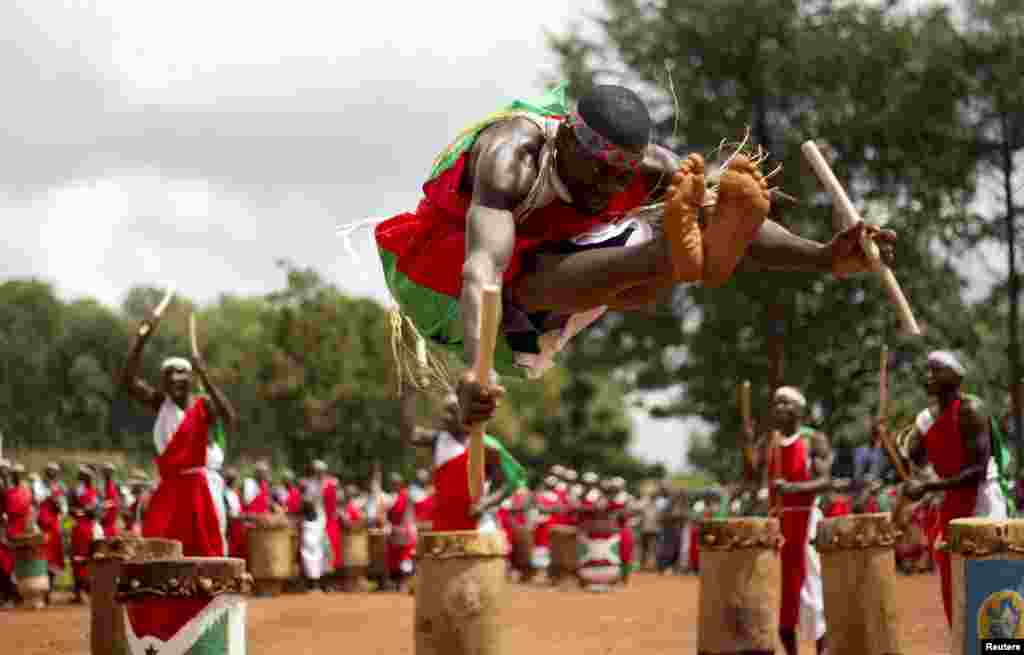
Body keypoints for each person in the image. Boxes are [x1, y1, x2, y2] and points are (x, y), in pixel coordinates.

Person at [373, 82, 896, 429]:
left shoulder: (649, 168)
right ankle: (669, 257)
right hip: (460, 289)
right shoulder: (513, 158)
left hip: (581, 284)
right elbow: (483, 268)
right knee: (534, 274)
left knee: (676, 224)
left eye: (621, 174)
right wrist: (476, 369)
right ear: (567, 142)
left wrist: (826, 256)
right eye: (597, 168)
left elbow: (741, 228)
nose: (607, 184)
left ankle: (670, 259)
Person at [900, 350, 1009, 626]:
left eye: (935, 370)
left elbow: (977, 471)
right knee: (955, 584)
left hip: (984, 501)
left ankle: (1000, 645)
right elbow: (916, 456)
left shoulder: (972, 409)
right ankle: (965, 643)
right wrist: (903, 442)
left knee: (989, 578)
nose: (928, 377)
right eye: (928, 370)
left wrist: (928, 486)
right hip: (952, 501)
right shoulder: (927, 418)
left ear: (955, 375)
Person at [117, 309, 237, 557]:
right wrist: (141, 339)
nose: (174, 379)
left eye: (180, 374)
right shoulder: (161, 403)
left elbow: (229, 417)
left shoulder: (203, 405)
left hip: (204, 488)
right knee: (162, 548)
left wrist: (206, 374)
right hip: (171, 488)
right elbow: (128, 380)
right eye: (168, 375)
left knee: (209, 549)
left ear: (190, 379)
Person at [750, 386, 830, 655]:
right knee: (782, 596)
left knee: (811, 590)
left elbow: (824, 481)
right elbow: (754, 473)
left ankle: (821, 649)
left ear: (799, 409)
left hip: (805, 522)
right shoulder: (768, 442)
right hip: (778, 526)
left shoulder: (812, 440)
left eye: (785, 403)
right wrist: (749, 444)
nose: (778, 408)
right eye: (775, 403)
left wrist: (793, 489)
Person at [399, 387, 520, 533]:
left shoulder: (486, 445)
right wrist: (409, 396)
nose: (445, 416)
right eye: (445, 411)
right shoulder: (438, 439)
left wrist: (487, 502)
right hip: (443, 526)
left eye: (451, 411)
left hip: (479, 527)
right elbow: (410, 434)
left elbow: (509, 483)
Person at [69, 465, 103, 603]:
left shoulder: (90, 492)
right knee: (80, 559)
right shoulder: (82, 491)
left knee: (85, 559)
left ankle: (85, 591)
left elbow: (93, 512)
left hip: (87, 528)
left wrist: (83, 511)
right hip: (82, 528)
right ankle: (80, 592)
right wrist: (82, 511)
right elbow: (74, 510)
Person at [37, 462, 68, 600]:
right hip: (42, 525)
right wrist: (49, 496)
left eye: (54, 472)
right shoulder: (39, 485)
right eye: (50, 471)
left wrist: (58, 503)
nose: (52, 474)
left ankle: (49, 590)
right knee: (41, 557)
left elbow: (63, 509)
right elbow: (37, 500)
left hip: (54, 526)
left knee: (53, 557)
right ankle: (42, 589)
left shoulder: (60, 487)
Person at [100, 463, 121, 537]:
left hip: (109, 525)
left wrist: (100, 506)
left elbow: (112, 503)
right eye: (105, 472)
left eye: (107, 472)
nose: (105, 474)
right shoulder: (105, 486)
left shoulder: (111, 487)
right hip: (106, 523)